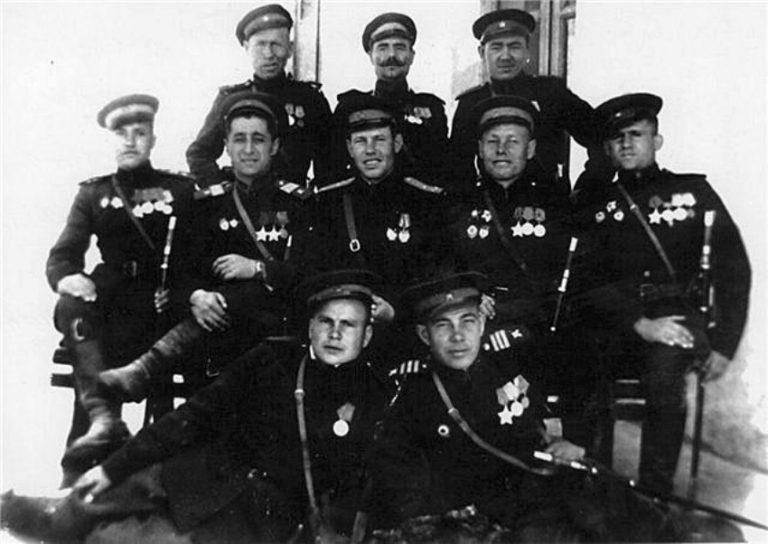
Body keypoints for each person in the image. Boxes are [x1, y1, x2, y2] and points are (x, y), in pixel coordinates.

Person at [2, 270, 395, 543]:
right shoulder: (273, 358)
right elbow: (196, 413)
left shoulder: (376, 393)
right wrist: (111, 468)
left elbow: (363, 482)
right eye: (326, 321)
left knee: (116, 540)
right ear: (310, 326)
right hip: (198, 473)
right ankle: (31, 513)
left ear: (367, 335)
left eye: (348, 325)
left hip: (257, 518)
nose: (335, 333)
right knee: (91, 502)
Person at [580, 92, 751, 494]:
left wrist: (724, 345)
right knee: (583, 366)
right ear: (607, 148)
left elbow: (734, 269)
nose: (626, 144)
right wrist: (637, 322)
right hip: (618, 319)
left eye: (636, 134)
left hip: (676, 316)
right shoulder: (594, 205)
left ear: (656, 141)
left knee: (664, 375)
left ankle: (653, 495)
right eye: (618, 137)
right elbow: (586, 280)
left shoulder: (692, 193)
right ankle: (595, 484)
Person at [100, 90, 312, 403]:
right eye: (239, 139)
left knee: (247, 295)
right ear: (226, 146)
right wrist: (196, 297)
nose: (248, 150)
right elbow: (180, 270)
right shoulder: (207, 204)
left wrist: (258, 269)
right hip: (214, 332)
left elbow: (310, 273)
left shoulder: (299, 204)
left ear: (275, 146)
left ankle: (147, 368)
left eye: (258, 140)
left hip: (274, 329)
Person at [364, 270, 589, 539]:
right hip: (470, 524)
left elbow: (550, 413)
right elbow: (407, 491)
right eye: (443, 325)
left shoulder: (509, 361)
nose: (458, 336)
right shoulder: (412, 392)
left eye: (467, 321)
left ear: (481, 324)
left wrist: (566, 442)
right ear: (424, 335)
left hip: (540, 501)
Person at [46, 94, 194, 486]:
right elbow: (62, 257)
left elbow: (199, 253)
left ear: (153, 140)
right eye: (121, 134)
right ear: (111, 141)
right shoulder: (93, 194)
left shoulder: (180, 190)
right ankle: (100, 422)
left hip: (160, 307)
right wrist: (69, 278)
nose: (130, 141)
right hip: (110, 305)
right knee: (70, 304)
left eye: (139, 132)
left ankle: (147, 476)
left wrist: (179, 293)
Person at [440, 95, 598, 448]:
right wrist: (469, 296)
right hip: (476, 318)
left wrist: (522, 312)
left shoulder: (555, 203)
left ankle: (573, 452)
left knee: (583, 352)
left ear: (531, 149)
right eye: (492, 141)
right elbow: (444, 264)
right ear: (479, 148)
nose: (501, 150)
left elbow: (571, 272)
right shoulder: (458, 204)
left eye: (513, 141)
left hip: (539, 321)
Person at [448, 8, 607, 195]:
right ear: (482, 53)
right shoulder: (470, 103)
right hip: (493, 204)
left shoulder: (551, 93)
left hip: (548, 201)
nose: (505, 56)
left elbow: (602, 140)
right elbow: (458, 166)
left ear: (527, 51)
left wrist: (587, 191)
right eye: (496, 47)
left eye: (514, 46)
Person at [186, 3, 332, 188]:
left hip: (292, 203)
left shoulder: (310, 99)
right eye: (260, 45)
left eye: (276, 44)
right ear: (247, 48)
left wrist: (318, 200)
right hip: (244, 201)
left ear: (290, 48)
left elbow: (330, 162)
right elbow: (199, 154)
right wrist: (226, 193)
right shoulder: (230, 100)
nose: (268, 54)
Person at [333, 12, 448, 184]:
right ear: (371, 56)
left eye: (400, 47)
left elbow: (443, 167)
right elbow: (334, 168)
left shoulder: (432, 108)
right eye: (383, 48)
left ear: (411, 56)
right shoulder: (349, 107)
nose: (391, 55)